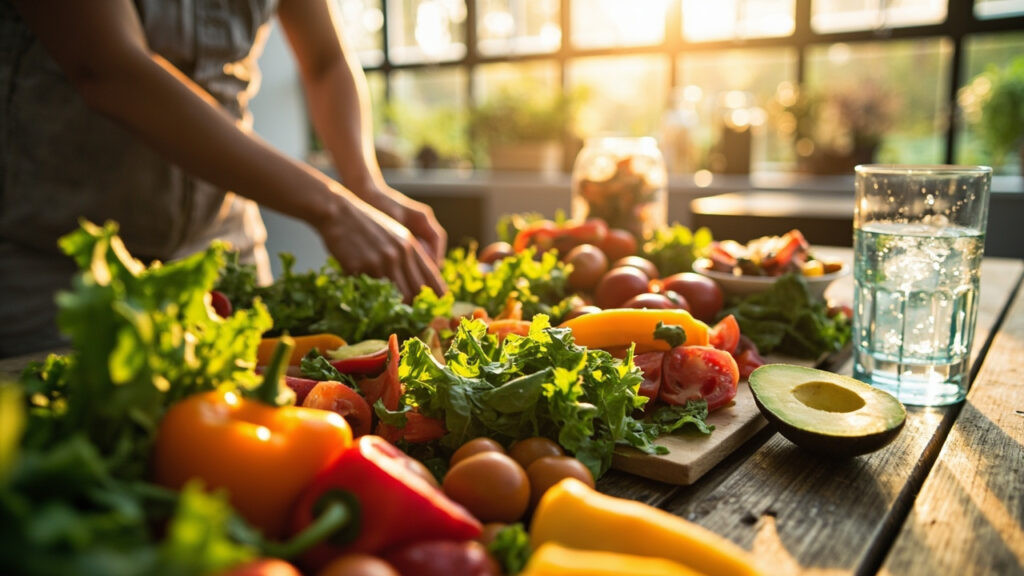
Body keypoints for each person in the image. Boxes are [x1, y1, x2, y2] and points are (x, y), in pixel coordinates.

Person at [0, 0, 447, 358]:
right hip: (61, 265)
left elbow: (326, 60)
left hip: (225, 252)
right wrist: (332, 207)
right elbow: (107, 66)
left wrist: (364, 185)